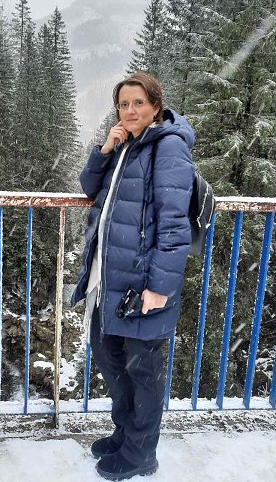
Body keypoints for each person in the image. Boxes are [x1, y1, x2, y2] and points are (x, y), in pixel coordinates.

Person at [71, 72, 195, 480]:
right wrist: (105, 149)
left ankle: (141, 454)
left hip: (142, 284)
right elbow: (89, 187)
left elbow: (174, 225)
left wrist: (158, 288)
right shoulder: (127, 145)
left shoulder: (168, 147)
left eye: (138, 103)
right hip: (110, 280)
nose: (130, 110)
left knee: (142, 372)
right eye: (123, 104)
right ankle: (125, 435)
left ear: (156, 106)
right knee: (112, 362)